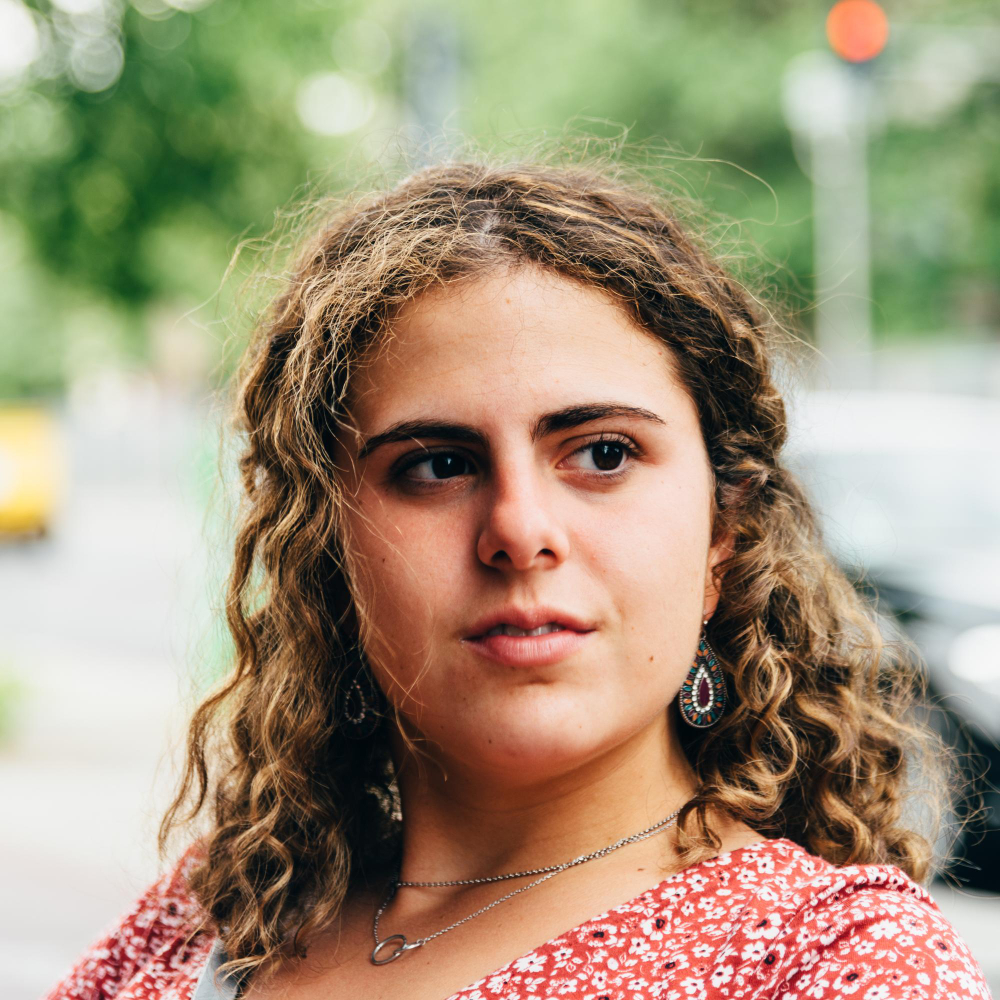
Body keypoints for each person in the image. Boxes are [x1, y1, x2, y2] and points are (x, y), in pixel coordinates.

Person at [44, 155, 993, 1000]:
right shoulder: (215, 917)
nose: (520, 533)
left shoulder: (830, 964)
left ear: (723, 534)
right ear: (329, 547)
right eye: (437, 465)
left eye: (604, 453)